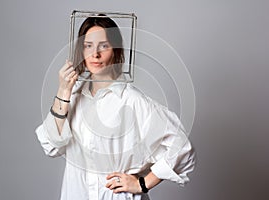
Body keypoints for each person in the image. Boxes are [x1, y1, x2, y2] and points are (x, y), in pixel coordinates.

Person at [35, 14, 195, 200]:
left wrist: (142, 184)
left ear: (116, 51)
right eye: (88, 46)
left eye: (104, 46)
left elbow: (182, 147)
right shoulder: (72, 95)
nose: (95, 54)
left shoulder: (132, 100)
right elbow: (51, 147)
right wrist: (63, 91)